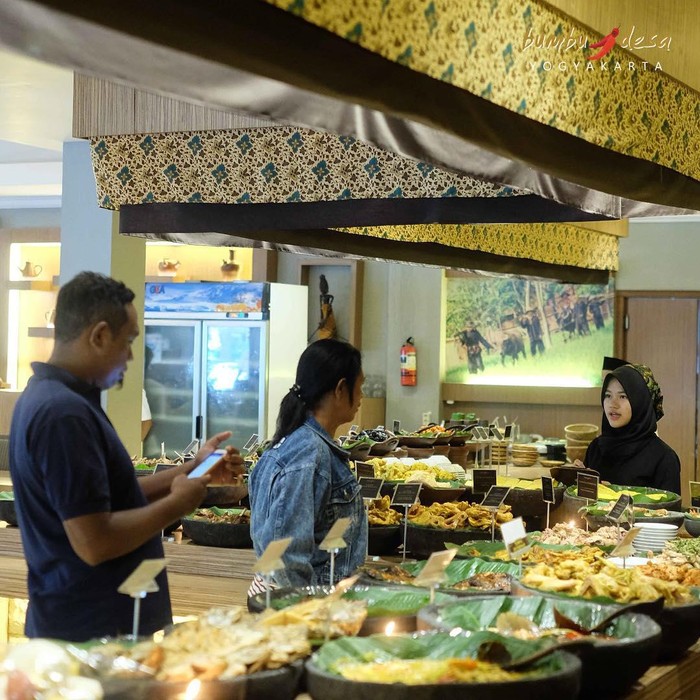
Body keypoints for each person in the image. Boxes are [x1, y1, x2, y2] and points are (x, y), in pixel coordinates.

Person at [9, 271, 244, 642]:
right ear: (100, 335)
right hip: (91, 635)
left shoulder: (57, 399)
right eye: (129, 341)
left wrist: (194, 469)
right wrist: (178, 504)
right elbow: (94, 542)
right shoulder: (63, 414)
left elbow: (112, 500)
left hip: (98, 625)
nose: (132, 356)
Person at [248, 338, 367, 592]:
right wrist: (307, 607)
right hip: (298, 601)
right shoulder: (309, 453)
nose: (362, 396)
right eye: (360, 387)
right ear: (340, 389)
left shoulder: (297, 443)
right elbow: (285, 556)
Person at [578, 363, 680, 493]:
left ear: (640, 402)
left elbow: (670, 505)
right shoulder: (596, 448)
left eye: (623, 396)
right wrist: (577, 481)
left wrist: (614, 494)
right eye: (608, 395)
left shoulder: (664, 458)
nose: (613, 404)